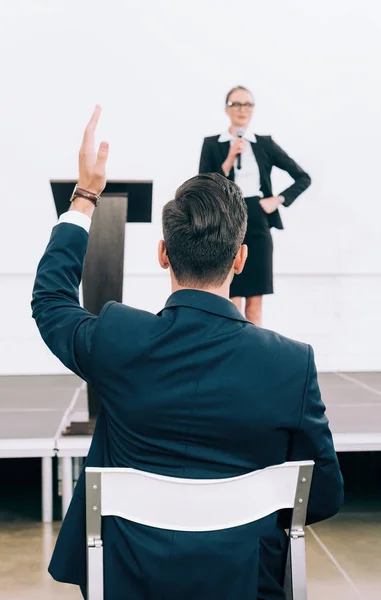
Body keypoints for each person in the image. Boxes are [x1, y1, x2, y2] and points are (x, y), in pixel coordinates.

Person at [32, 106, 343, 600]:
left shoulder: (118, 338)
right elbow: (322, 497)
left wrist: (85, 196)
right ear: (241, 258)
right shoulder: (291, 364)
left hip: (129, 584)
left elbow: (50, 302)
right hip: (245, 586)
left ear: (163, 254)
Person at [199, 86, 312, 326]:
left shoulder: (264, 143)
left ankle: (253, 357)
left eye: (247, 104)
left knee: (255, 302)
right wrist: (229, 158)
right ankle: (230, 354)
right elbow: (204, 185)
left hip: (258, 221)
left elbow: (303, 177)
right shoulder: (212, 144)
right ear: (226, 108)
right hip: (227, 220)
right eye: (236, 104)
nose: (242, 109)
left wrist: (277, 200)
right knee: (231, 299)